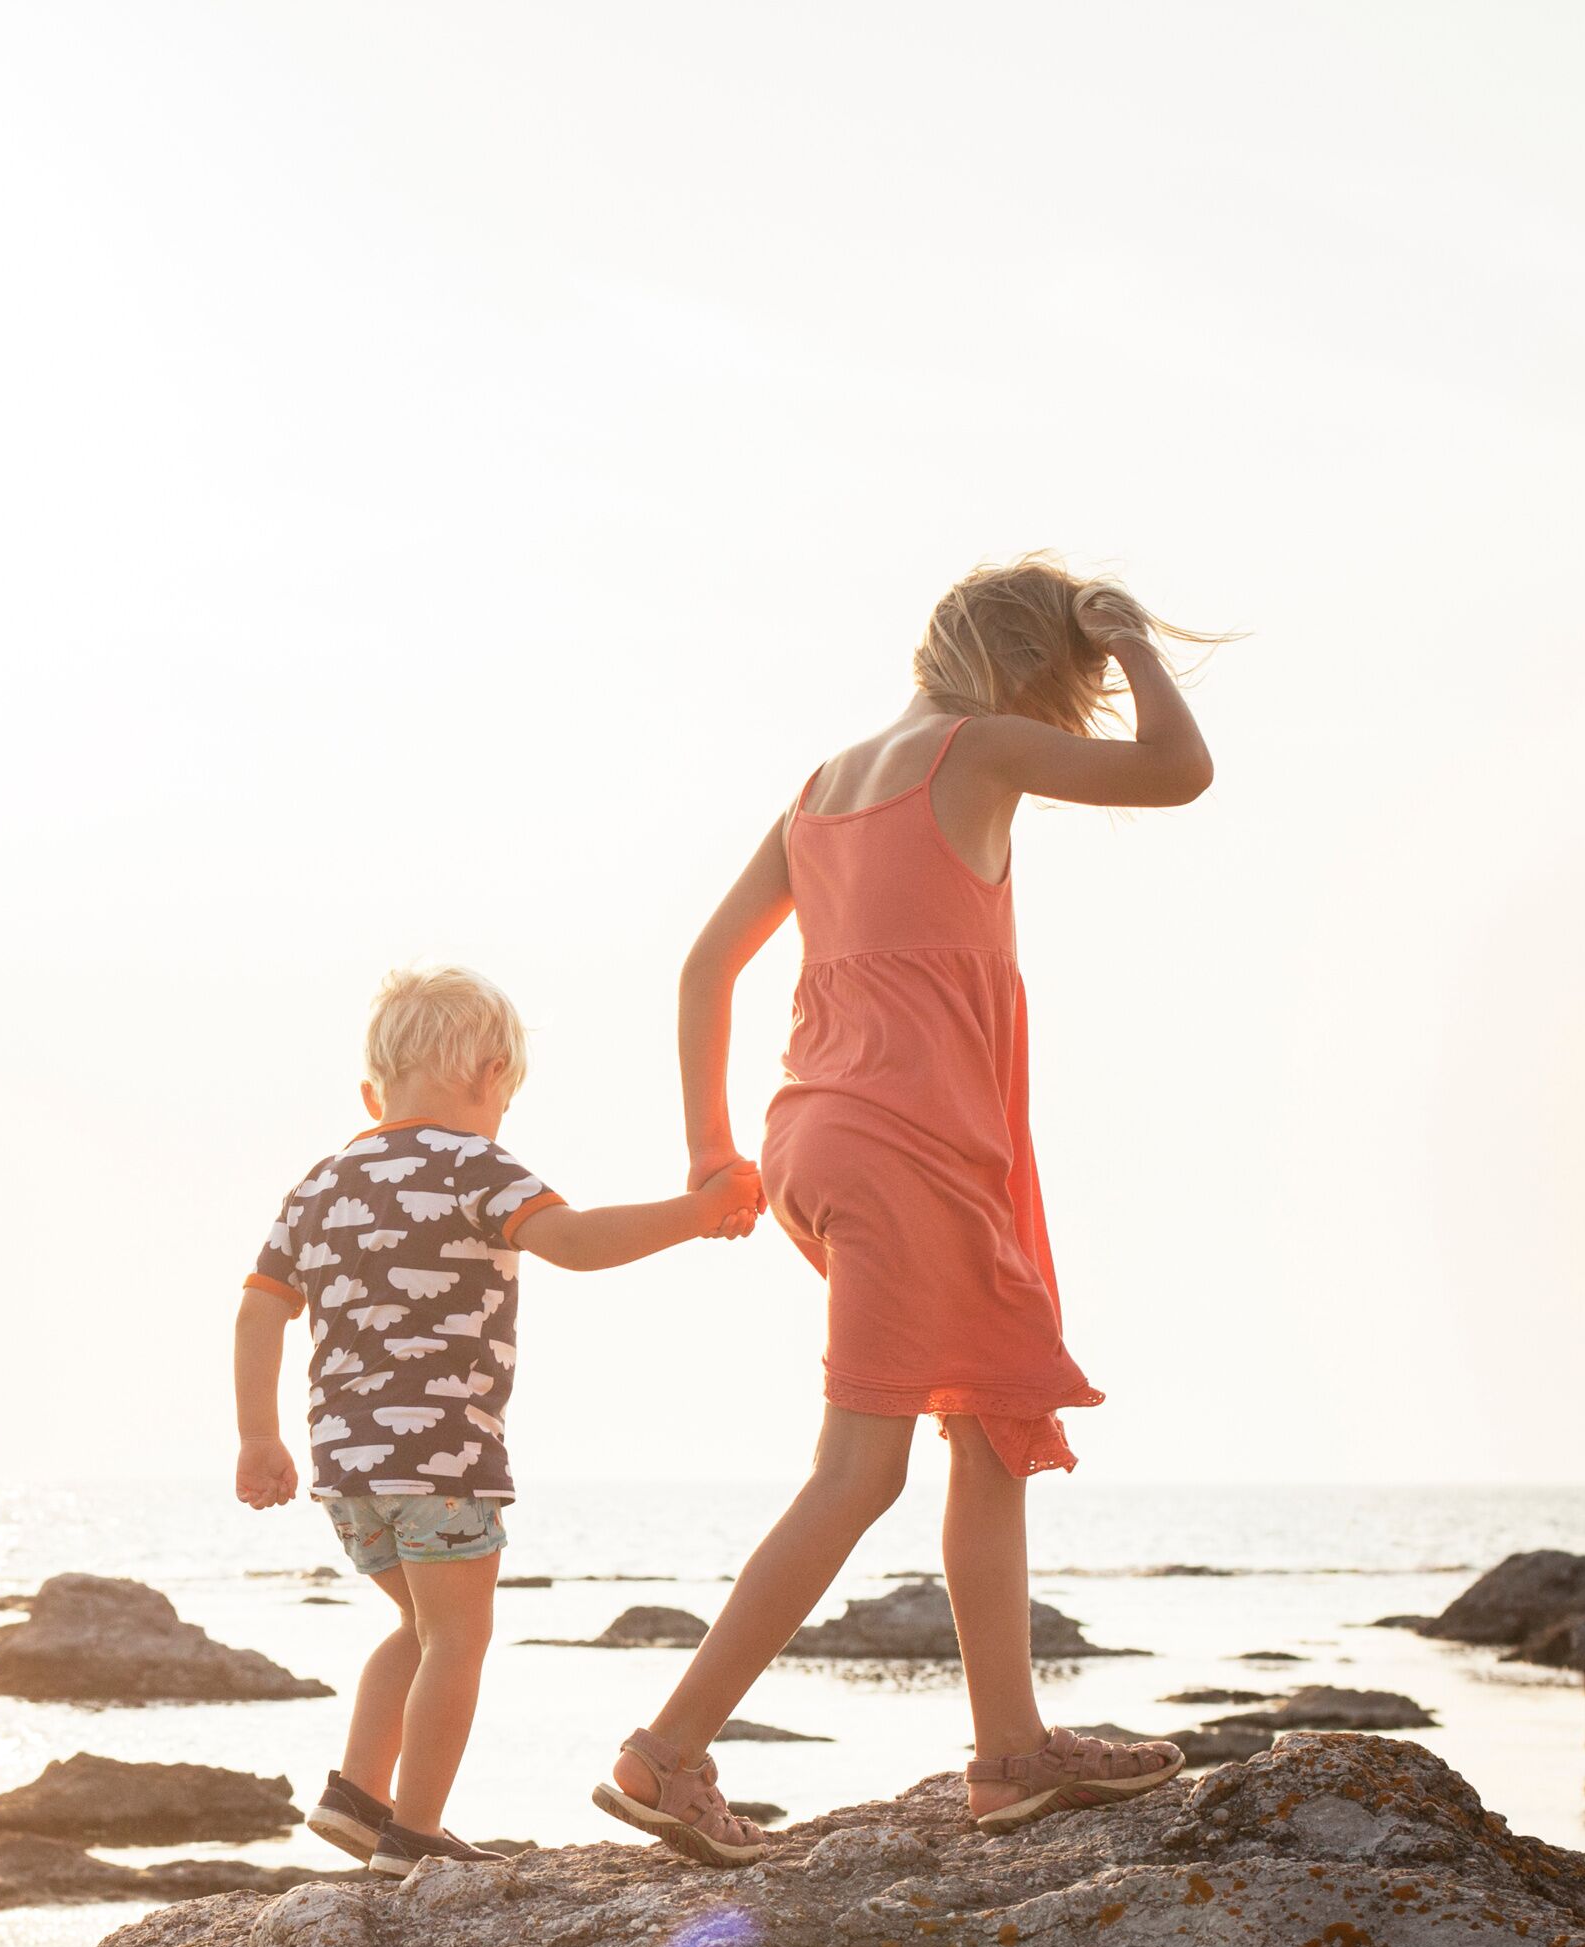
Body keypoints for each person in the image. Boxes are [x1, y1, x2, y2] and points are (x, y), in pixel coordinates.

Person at [595, 556, 1224, 1863]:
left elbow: (707, 964)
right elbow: (1178, 771)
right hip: (907, 1151)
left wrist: (717, 1153)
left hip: (817, 1137)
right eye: (1077, 682)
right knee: (859, 1470)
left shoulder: (824, 788)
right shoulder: (976, 750)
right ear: (1032, 672)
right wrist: (1139, 643)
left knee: (990, 1422)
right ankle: (665, 1758)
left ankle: (1011, 1756)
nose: (1075, 716)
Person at [236, 965, 755, 1876]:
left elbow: (258, 1310)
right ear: (487, 1076)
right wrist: (699, 1214)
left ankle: (358, 1797)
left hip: (346, 1468)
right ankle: (417, 1836)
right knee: (458, 1641)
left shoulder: (319, 1184)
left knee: (416, 1629)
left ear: (373, 1089)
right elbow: (580, 1244)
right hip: (441, 1458)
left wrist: (258, 1436)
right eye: (505, 1096)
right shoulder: (476, 1165)